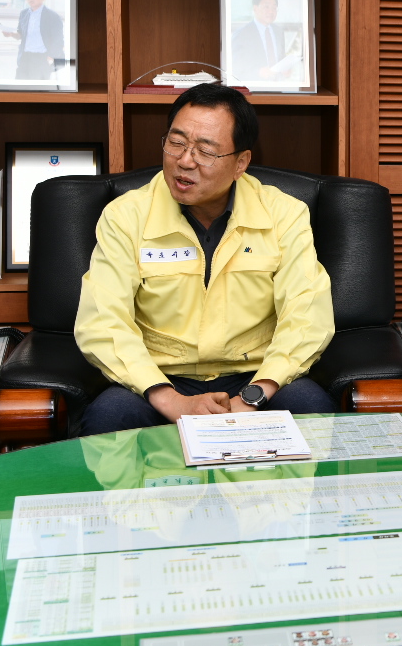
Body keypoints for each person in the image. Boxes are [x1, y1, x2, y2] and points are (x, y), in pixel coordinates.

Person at [75, 82, 336, 434]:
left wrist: (254, 396)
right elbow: (103, 323)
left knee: (311, 406)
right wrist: (171, 399)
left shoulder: (283, 214)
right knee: (111, 415)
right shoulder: (126, 216)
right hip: (158, 378)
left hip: (257, 376)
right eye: (177, 143)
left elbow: (307, 316)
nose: (185, 161)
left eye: (205, 151)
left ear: (241, 162)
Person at [5, 0, 65, 80]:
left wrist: (51, 56)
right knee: (19, 89)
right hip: (25, 57)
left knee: (39, 91)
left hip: (42, 58)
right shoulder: (24, 14)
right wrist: (11, 34)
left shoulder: (52, 16)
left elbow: (58, 40)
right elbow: (20, 34)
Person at [230, 0, 292, 82]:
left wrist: (286, 69)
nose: (271, 11)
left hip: (278, 86)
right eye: (266, 7)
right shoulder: (241, 34)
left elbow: (281, 57)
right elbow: (235, 67)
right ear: (255, 9)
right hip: (254, 87)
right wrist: (258, 72)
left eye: (274, 8)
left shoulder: (279, 31)